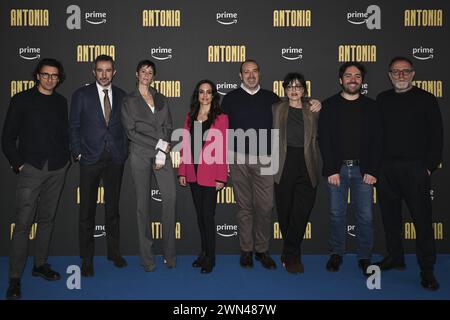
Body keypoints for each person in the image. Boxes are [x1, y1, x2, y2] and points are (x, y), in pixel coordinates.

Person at [222, 59, 320, 269]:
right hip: (237, 159)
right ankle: (247, 250)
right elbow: (221, 130)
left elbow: (296, 103)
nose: (250, 75)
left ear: (260, 74)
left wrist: (313, 101)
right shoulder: (230, 98)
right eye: (246, 72)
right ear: (240, 76)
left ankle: (262, 250)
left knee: (265, 206)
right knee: (244, 207)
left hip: (266, 159)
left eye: (254, 71)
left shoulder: (272, 99)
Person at [2, 58, 70, 300]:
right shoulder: (21, 100)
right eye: (45, 74)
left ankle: (40, 264)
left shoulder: (61, 102)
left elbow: (65, 134)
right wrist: (19, 164)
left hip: (57, 168)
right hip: (30, 169)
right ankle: (14, 278)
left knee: (47, 220)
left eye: (54, 75)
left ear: (58, 78)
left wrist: (66, 159)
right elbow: (7, 138)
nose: (50, 79)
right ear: (37, 75)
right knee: (22, 225)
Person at [375, 57, 443, 291]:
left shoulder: (426, 99)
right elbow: (376, 135)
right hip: (386, 170)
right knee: (391, 220)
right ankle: (396, 257)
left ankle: (427, 269)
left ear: (413, 74)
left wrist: (428, 166)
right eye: (396, 71)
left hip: (415, 168)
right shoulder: (382, 99)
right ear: (389, 75)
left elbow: (437, 135)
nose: (401, 75)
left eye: (405, 71)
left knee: (422, 222)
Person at [318, 62, 382, 277]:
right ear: (340, 80)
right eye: (348, 75)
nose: (352, 79)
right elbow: (324, 140)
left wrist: (372, 169)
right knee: (337, 214)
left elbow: (378, 141)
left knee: (365, 216)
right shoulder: (329, 105)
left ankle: (364, 256)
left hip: (364, 171)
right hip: (337, 170)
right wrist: (331, 169)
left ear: (362, 80)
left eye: (356, 76)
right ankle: (336, 252)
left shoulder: (372, 107)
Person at [69, 54, 128, 277]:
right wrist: (78, 152)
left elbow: (126, 127)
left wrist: (124, 152)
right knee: (86, 211)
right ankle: (87, 258)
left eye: (108, 70)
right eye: (100, 70)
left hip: (115, 159)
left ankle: (114, 253)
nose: (104, 74)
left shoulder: (122, 95)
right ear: (94, 72)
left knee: (113, 209)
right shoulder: (81, 95)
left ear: (114, 72)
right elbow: (73, 126)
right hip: (90, 159)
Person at [121, 60, 176, 272]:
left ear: (153, 76)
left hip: (162, 153)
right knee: (142, 206)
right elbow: (130, 132)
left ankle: (169, 254)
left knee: (170, 198)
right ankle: (147, 258)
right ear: (137, 74)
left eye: (150, 72)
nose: (146, 74)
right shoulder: (128, 100)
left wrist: (163, 149)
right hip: (140, 154)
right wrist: (158, 144)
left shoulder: (161, 97)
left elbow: (169, 125)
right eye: (143, 71)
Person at [272, 72, 321, 274]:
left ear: (304, 90)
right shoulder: (276, 108)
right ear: (284, 89)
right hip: (283, 163)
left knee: (301, 212)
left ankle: (289, 253)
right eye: (290, 86)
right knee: (285, 211)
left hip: (307, 163)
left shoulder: (313, 108)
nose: (294, 90)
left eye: (298, 86)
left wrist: (317, 103)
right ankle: (293, 255)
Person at [178, 80, 228, 274]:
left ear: (214, 95)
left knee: (208, 216)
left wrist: (221, 177)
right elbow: (185, 146)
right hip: (193, 172)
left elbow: (222, 150)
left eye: (208, 92)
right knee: (200, 216)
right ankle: (203, 252)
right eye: (201, 92)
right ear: (197, 95)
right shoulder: (190, 117)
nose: (205, 96)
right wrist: (182, 171)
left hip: (211, 174)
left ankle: (211, 257)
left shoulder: (221, 118)